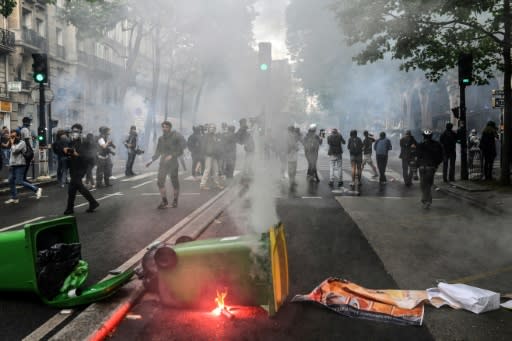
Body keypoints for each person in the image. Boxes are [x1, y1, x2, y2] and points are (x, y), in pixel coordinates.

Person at [61, 124, 99, 214]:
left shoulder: (84, 142)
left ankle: (92, 202)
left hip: (81, 167)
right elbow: (69, 153)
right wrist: (66, 151)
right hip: (73, 167)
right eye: (73, 131)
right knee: (72, 188)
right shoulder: (71, 142)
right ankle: (71, 208)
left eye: (76, 131)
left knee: (76, 185)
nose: (74, 133)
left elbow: (88, 156)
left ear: (80, 132)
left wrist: (77, 154)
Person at [146, 121, 185, 209]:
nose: (164, 128)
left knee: (174, 182)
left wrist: (172, 155)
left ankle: (175, 201)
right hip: (163, 163)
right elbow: (158, 152)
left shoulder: (176, 136)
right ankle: (164, 201)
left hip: (173, 163)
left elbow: (181, 150)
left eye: (166, 127)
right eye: (163, 127)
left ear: (170, 128)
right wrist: (151, 160)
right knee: (160, 182)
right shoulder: (161, 139)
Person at [4, 129, 43, 204]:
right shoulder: (13, 143)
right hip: (13, 165)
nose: (13, 138)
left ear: (18, 136)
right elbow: (11, 154)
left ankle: (36, 189)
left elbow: (15, 151)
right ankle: (14, 198)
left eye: (14, 136)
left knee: (19, 181)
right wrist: (10, 164)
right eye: (12, 136)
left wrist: (12, 143)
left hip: (20, 165)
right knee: (11, 181)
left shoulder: (22, 143)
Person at [416, 129, 443, 209]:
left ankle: (426, 199)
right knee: (427, 183)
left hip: (424, 167)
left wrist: (417, 165)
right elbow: (440, 157)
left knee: (423, 184)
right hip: (430, 167)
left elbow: (417, 156)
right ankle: (426, 199)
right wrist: (436, 165)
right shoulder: (436, 144)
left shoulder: (420, 144)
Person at [199, 124, 224, 190]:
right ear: (208, 129)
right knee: (207, 170)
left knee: (216, 170)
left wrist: (218, 153)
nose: (212, 129)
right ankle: (202, 184)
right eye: (211, 128)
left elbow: (217, 145)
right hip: (208, 156)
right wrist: (204, 154)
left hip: (214, 155)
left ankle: (217, 184)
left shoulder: (215, 136)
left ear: (215, 129)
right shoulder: (206, 136)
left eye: (213, 128)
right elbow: (203, 146)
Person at [19, 117, 34, 182]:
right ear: (27, 122)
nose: (30, 123)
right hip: (26, 149)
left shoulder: (22, 129)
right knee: (26, 165)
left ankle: (23, 178)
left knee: (25, 164)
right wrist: (30, 149)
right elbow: (27, 140)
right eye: (29, 121)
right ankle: (23, 178)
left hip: (24, 149)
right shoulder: (25, 129)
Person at [287, 125, 301, 190]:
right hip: (292, 155)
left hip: (290, 155)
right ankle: (291, 182)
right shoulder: (291, 136)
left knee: (291, 169)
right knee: (292, 170)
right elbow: (293, 145)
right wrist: (297, 147)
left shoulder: (289, 136)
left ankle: (292, 181)